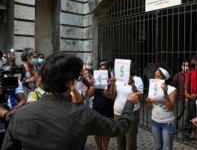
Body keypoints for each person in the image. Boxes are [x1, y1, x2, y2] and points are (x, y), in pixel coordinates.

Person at [1, 52, 142, 150]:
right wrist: (130, 103)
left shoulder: (21, 115)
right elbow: (120, 127)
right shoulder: (83, 114)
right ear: (70, 82)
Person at [110, 61, 144, 150]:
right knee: (120, 142)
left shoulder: (137, 79)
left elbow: (140, 99)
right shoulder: (118, 80)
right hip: (118, 113)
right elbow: (112, 97)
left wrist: (133, 86)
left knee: (130, 142)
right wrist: (113, 83)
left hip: (131, 113)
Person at [146, 67, 177, 150]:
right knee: (158, 146)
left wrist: (165, 94)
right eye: (155, 76)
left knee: (167, 148)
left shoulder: (172, 90)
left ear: (165, 78)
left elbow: (170, 108)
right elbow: (149, 107)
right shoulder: (153, 87)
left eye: (158, 76)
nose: (156, 79)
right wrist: (148, 102)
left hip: (167, 122)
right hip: (155, 121)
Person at [91, 61, 115, 150]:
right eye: (100, 70)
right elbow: (89, 94)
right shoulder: (96, 80)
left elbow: (112, 97)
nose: (102, 72)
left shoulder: (111, 81)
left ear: (108, 70)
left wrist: (108, 94)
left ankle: (105, 148)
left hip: (108, 109)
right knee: (97, 131)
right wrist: (93, 84)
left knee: (106, 131)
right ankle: (99, 148)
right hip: (97, 108)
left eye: (104, 70)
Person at [172, 59, 189, 130]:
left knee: (186, 114)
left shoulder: (191, 74)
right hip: (180, 97)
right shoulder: (178, 75)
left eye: (187, 66)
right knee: (177, 114)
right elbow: (173, 85)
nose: (186, 67)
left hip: (188, 97)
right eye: (184, 65)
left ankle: (182, 127)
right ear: (181, 66)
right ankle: (174, 128)